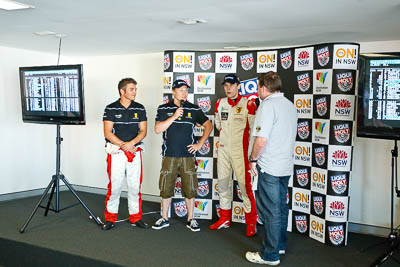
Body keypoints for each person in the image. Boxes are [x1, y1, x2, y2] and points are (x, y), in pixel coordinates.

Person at [245, 72, 297, 265]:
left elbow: (261, 140)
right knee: (281, 208)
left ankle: (269, 255)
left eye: (258, 87)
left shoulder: (267, 106)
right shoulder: (290, 106)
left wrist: (252, 159)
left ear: (264, 87)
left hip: (269, 167)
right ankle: (280, 246)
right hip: (285, 166)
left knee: (270, 211)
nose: (258, 90)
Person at [152, 79, 213, 232]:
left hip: (187, 156)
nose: (184, 92)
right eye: (180, 90)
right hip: (169, 155)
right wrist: (173, 116)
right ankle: (164, 218)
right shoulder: (163, 108)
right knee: (166, 188)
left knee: (190, 188)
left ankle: (191, 219)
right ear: (173, 91)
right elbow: (158, 129)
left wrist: (199, 144)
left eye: (186, 90)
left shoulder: (194, 108)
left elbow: (208, 125)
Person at [209, 74, 258, 237]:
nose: (228, 88)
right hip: (223, 149)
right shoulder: (220, 103)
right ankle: (224, 218)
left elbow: (253, 130)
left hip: (240, 151)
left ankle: (251, 223)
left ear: (238, 86)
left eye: (231, 85)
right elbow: (218, 125)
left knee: (245, 187)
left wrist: (250, 152)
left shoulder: (248, 103)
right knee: (223, 184)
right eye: (226, 86)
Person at [102, 78, 148, 231]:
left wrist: (131, 144)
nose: (135, 92)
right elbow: (107, 133)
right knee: (115, 186)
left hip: (134, 151)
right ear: (122, 91)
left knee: (134, 186)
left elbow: (143, 131)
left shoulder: (140, 108)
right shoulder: (110, 108)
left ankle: (136, 217)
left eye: (135, 89)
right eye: (132, 89)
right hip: (116, 152)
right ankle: (110, 218)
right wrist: (123, 145)